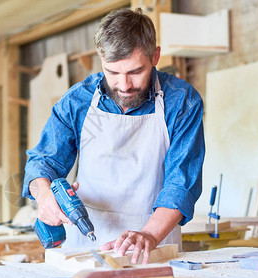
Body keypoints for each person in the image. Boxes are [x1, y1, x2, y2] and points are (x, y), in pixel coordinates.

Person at [22, 7, 205, 264]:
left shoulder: (181, 101)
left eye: (135, 72)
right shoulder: (79, 100)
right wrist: (43, 195)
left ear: (155, 56)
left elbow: (181, 183)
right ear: (101, 60)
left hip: (154, 244)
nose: (124, 85)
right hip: (85, 248)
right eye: (112, 72)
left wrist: (149, 235)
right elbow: (43, 162)